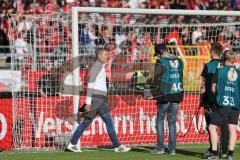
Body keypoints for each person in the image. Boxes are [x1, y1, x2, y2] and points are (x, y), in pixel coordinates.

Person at [66, 48, 131, 152]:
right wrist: (87, 103)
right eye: (105, 54)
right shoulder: (97, 66)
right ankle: (118, 146)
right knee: (108, 122)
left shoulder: (99, 66)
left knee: (86, 122)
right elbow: (90, 85)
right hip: (97, 99)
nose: (107, 56)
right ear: (100, 55)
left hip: (100, 98)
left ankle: (72, 144)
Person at [151, 43, 184, 155]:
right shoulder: (179, 61)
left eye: (158, 54)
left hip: (165, 94)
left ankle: (160, 148)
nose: (158, 57)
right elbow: (181, 76)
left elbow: (156, 79)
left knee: (160, 120)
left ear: (161, 52)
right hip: (177, 93)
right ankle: (172, 150)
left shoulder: (160, 62)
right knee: (172, 122)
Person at [208, 50, 240, 160]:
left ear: (224, 58)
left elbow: (213, 89)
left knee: (212, 127)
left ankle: (214, 152)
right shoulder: (239, 72)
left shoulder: (220, 70)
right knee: (232, 129)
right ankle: (230, 154)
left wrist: (220, 93)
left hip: (223, 103)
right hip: (235, 104)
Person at [200, 43, 229, 158]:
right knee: (223, 125)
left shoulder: (208, 65)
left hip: (209, 100)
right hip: (223, 101)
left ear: (212, 52)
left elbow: (202, 85)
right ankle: (224, 151)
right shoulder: (225, 65)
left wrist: (201, 100)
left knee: (211, 126)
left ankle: (213, 149)